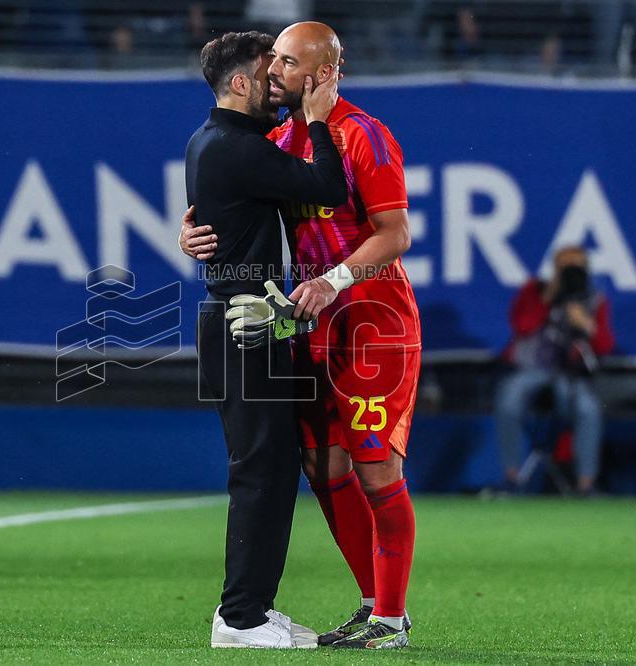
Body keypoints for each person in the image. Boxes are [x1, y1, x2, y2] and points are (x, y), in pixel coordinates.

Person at [183, 21, 420, 650]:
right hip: (309, 322)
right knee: (320, 463)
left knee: (374, 472)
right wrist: (193, 232)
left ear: (320, 74)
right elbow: (231, 185)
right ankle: (374, 606)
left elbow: (395, 234)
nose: (275, 74)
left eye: (286, 63)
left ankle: (391, 621)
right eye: (271, 63)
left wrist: (335, 280)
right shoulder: (284, 137)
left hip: (373, 322)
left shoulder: (364, 135)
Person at [185, 30, 347, 649]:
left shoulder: (218, 141)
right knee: (260, 469)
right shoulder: (235, 147)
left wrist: (193, 236)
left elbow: (215, 218)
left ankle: (253, 607)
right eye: (269, 67)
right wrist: (321, 119)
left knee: (274, 468)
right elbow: (329, 188)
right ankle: (239, 617)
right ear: (242, 84)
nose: (279, 75)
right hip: (243, 323)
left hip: (252, 318)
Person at [495, 246, 615, 495]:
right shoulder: (535, 291)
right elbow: (522, 326)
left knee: (588, 409)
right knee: (509, 398)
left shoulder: (594, 300)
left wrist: (586, 325)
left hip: (569, 374)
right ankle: (512, 477)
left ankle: (586, 484)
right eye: (565, 266)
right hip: (532, 369)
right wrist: (549, 297)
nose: (570, 271)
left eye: (576, 266)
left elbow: (604, 347)